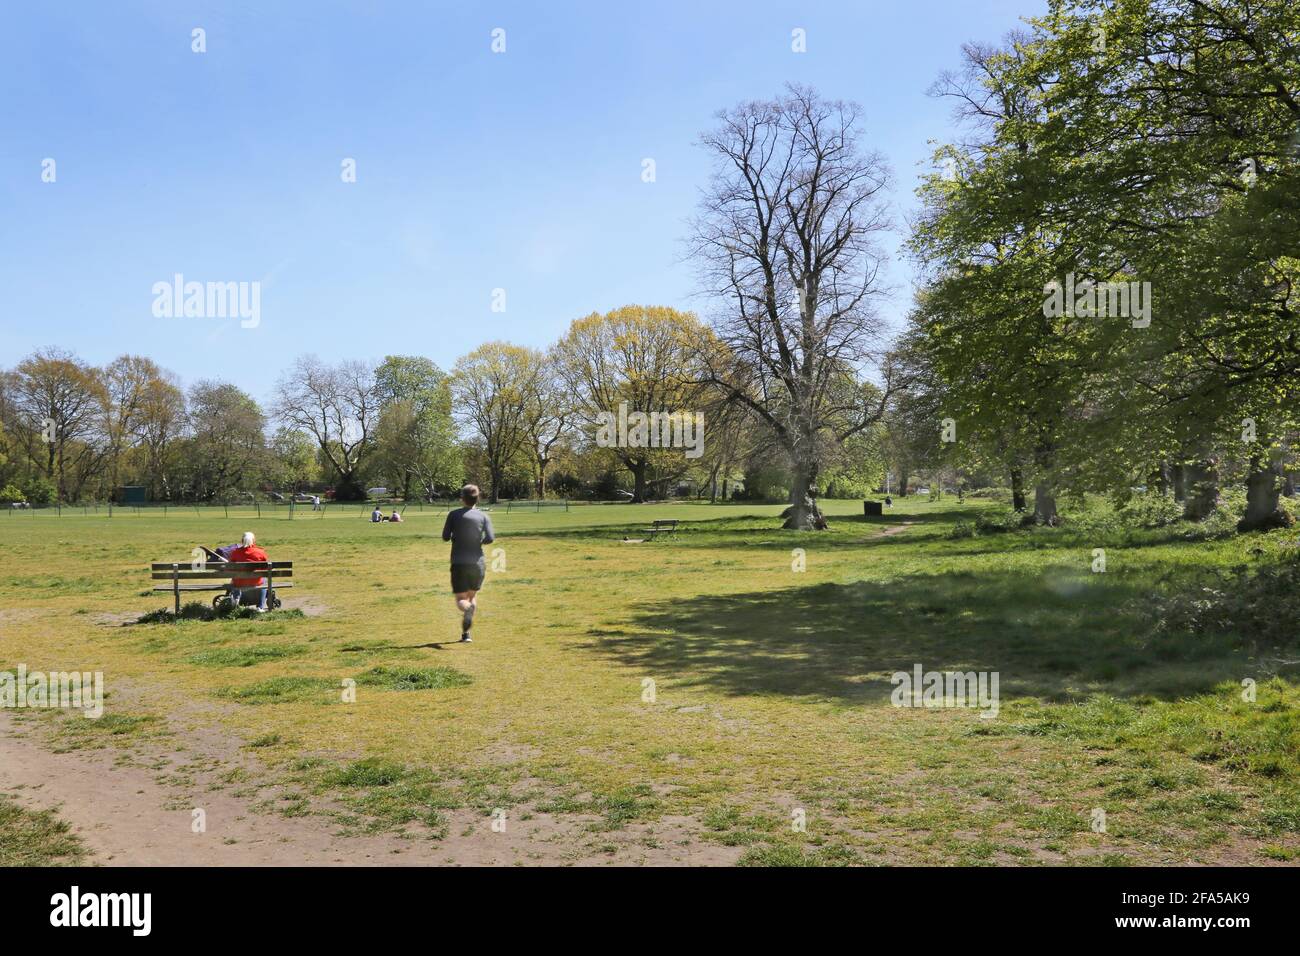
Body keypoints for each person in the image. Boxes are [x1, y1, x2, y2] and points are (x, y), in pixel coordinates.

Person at [441, 484, 494, 643]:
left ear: (461, 498)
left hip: (459, 562)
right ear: (478, 498)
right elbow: (490, 538)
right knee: (472, 596)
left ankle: (467, 610)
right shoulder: (484, 516)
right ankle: (466, 635)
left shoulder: (453, 514)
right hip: (477, 563)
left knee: (461, 600)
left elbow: (445, 536)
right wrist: (478, 541)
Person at [229, 531, 270, 612]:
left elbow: (230, 567)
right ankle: (260, 607)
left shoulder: (235, 552)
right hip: (256, 581)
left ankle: (236, 598)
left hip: (239, 582)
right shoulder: (260, 552)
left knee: (234, 579)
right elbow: (266, 567)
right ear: (253, 541)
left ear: (242, 540)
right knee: (264, 580)